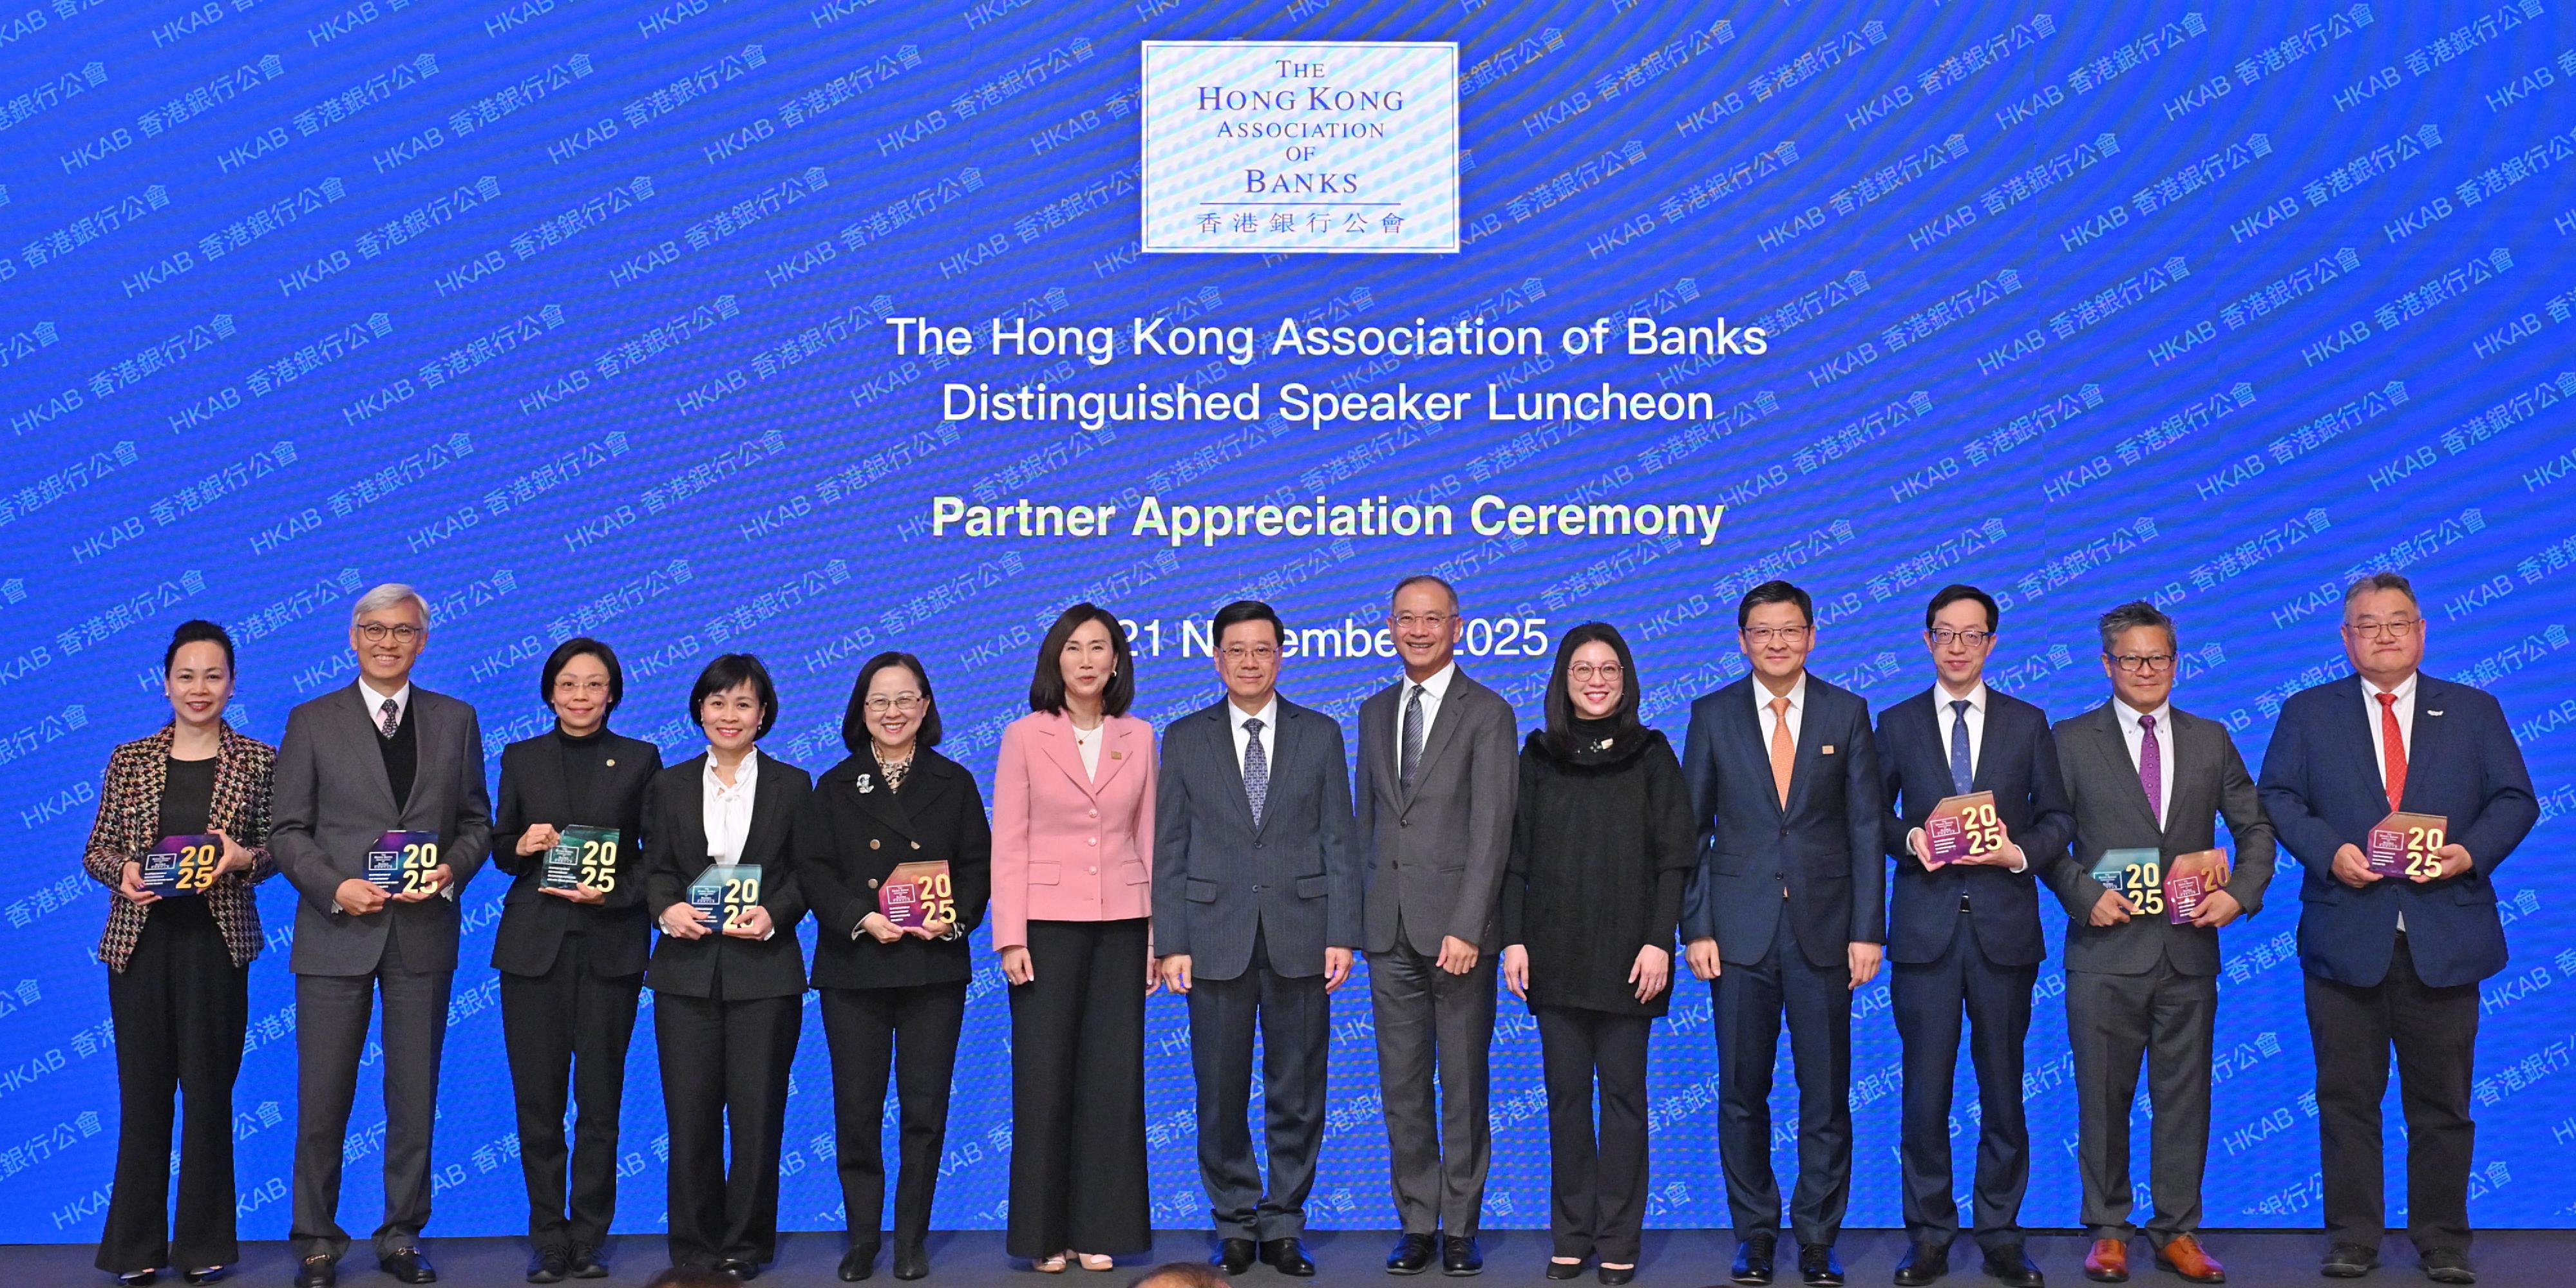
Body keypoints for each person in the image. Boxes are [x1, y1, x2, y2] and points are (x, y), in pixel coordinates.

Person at [2257, 573, 2536, 1285]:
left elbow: (2514, 798)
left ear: (2421, 629)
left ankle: (2441, 1238)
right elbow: (2278, 797)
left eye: (2396, 622)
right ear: (2344, 637)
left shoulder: (2474, 709)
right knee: (2346, 1097)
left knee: (2441, 1100)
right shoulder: (2307, 712)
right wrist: (2329, 852)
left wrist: (2468, 853)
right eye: (2366, 624)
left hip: (2446, 936)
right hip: (2346, 933)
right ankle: (2353, 1236)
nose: (2382, 635)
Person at [2041, 601, 2275, 1286]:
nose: (2147, 670)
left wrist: (2239, 893)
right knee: (2102, 1096)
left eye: (2159, 657)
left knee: (2185, 1096)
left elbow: (2254, 828)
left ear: (2177, 661)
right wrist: (2083, 893)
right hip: (2103, 951)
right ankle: (2108, 1228)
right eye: (2132, 658)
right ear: (2107, 663)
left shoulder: (2210, 736)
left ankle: (2176, 1227)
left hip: (2187, 950)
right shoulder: (2069, 738)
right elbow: (2045, 836)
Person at [272, 584, 491, 1288]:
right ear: (352, 636)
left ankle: (401, 1232)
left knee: (413, 1093)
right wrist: (335, 886)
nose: (388, 641)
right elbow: (285, 831)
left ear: (423, 640)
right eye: (374, 629)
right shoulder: (311, 719)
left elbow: (477, 821)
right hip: (337, 928)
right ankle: (315, 1237)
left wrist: (450, 871)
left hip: (422, 931)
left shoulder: (456, 719)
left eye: (403, 630)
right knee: (323, 1092)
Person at [1678, 579, 1885, 1288]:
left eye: (1789, 630)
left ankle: (1819, 1236)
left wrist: (1868, 930)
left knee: (1825, 1092)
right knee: (1742, 1091)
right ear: (1742, 640)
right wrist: (1695, 925)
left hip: (1825, 933)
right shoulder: (1711, 715)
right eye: (1762, 631)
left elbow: (1864, 828)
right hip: (1735, 935)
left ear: (1812, 634)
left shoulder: (1847, 711)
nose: (1776, 642)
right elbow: (1691, 832)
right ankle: (1756, 1235)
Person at [1153, 601, 1359, 1280]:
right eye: (1236, 650)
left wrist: (1342, 933)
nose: (1249, 661)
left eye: (1262, 649)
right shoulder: (1183, 737)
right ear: (1216, 658)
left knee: (1297, 1089)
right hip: (1212, 937)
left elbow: (1339, 839)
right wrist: (1171, 939)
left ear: (1281, 655)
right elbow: (1170, 846)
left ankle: (1283, 1224)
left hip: (1302, 933)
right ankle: (1234, 1222)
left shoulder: (1320, 733)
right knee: (1218, 1088)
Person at [1876, 587, 2071, 1288]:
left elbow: (2056, 818)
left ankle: (1999, 1231)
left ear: (1991, 643)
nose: (1957, 647)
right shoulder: (1895, 722)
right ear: (1927, 641)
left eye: (1972, 635)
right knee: (1923, 1094)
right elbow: (1869, 811)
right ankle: (1927, 1232)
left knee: (2003, 1089)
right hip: (1925, 931)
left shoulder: (2027, 722)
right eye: (1944, 634)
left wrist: (2016, 853)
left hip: (2002, 930)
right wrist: (1910, 838)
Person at [1497, 623, 1691, 1287]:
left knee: (1624, 1099)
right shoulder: (1538, 754)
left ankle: (1618, 1238)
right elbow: (1514, 860)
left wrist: (1658, 940)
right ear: (1563, 678)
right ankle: (1571, 1234)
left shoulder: (1652, 753)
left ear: (1626, 676)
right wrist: (1514, 939)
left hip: (1631, 961)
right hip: (1553, 957)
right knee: (1564, 1101)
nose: (1596, 679)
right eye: (1582, 668)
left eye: (1608, 667)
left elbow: (1675, 859)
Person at [86, 621, 275, 1287]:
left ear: (232, 683)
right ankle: (135, 1245)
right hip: (139, 943)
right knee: (143, 1094)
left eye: (214, 674)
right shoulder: (129, 757)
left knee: (209, 1094)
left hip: (218, 943)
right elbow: (97, 848)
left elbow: (277, 849)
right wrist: (126, 871)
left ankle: (204, 1244)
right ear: (164, 682)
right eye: (187, 674)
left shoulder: (258, 760)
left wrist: (244, 856)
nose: (200, 687)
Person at [795, 652, 992, 1282]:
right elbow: (814, 870)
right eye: (879, 701)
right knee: (856, 1108)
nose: (892, 712)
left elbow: (975, 867)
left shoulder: (954, 781)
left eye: (905, 699)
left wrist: (954, 916)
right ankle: (861, 1238)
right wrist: (862, 915)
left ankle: (910, 1237)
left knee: (924, 1108)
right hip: (855, 964)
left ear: (926, 707)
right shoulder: (834, 784)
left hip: (932, 966)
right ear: (860, 710)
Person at [1354, 574, 1519, 1277]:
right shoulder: (1371, 709)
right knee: (1401, 1085)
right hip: (1386, 929)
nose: (1418, 630)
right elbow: (1368, 823)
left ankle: (1460, 1224)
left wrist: (1469, 924)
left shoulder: (1488, 710)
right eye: (1405, 619)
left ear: (1458, 626)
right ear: (1389, 625)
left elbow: (1492, 830)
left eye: (1432, 619)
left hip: (1457, 934)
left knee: (1463, 1080)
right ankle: (1416, 1221)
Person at [489, 638, 663, 1283]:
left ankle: (589, 1235)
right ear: (550, 692)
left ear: (612, 692)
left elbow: (656, 857)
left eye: (594, 684)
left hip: (610, 945)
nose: (581, 696)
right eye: (568, 684)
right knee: (536, 1104)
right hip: (533, 949)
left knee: (599, 1103)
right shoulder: (522, 756)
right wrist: (522, 842)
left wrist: (612, 891)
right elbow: (500, 847)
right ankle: (549, 1237)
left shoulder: (642, 758)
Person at [992, 603, 1159, 1273]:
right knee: (1043, 1079)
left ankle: (1099, 1228)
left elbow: (1148, 836)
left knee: (1113, 1081)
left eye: (1099, 647)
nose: (1087, 659)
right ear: (1053, 660)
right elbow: (1009, 837)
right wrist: (1010, 935)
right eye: (1073, 648)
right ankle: (1043, 1234)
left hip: (1122, 922)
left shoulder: (1141, 735)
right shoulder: (1025, 735)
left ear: (1117, 660)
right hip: (1045, 926)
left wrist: (1155, 937)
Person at [643, 654, 813, 1280]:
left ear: (763, 712)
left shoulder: (794, 786)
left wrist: (774, 912)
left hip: (764, 969)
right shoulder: (667, 784)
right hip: (685, 970)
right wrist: (666, 909)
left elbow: (806, 873)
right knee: (688, 1114)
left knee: (756, 1112)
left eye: (743, 703)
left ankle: (744, 1243)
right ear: (699, 710)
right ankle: (692, 1247)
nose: (729, 715)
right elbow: (654, 866)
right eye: (717, 702)